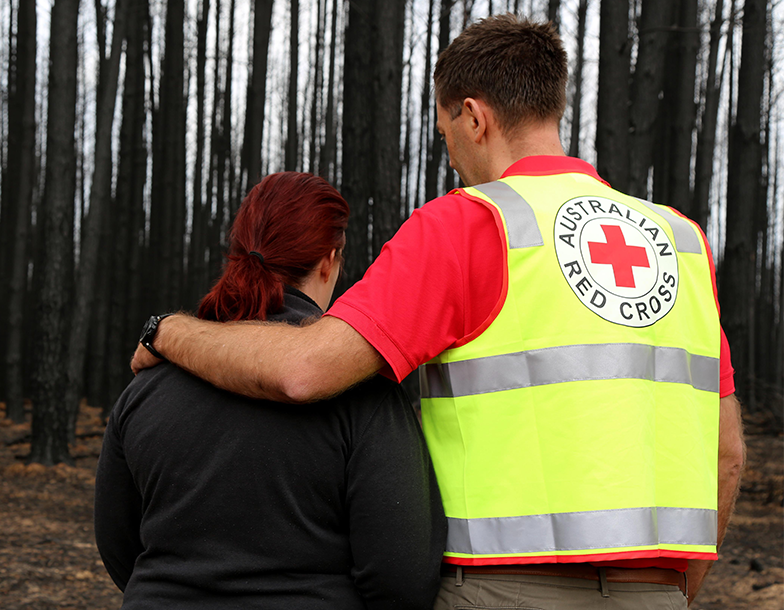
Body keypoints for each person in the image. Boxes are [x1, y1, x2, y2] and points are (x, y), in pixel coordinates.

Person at [131, 15, 745, 610]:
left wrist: (169, 331)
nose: (448, 153)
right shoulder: (681, 240)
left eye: (444, 131)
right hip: (660, 593)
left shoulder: (470, 224)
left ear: (474, 116)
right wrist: (671, 592)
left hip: (499, 592)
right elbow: (727, 454)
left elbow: (304, 369)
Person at [95, 171, 447, 609]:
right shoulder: (362, 393)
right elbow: (402, 575)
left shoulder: (145, 387)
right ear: (329, 259)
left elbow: (119, 546)